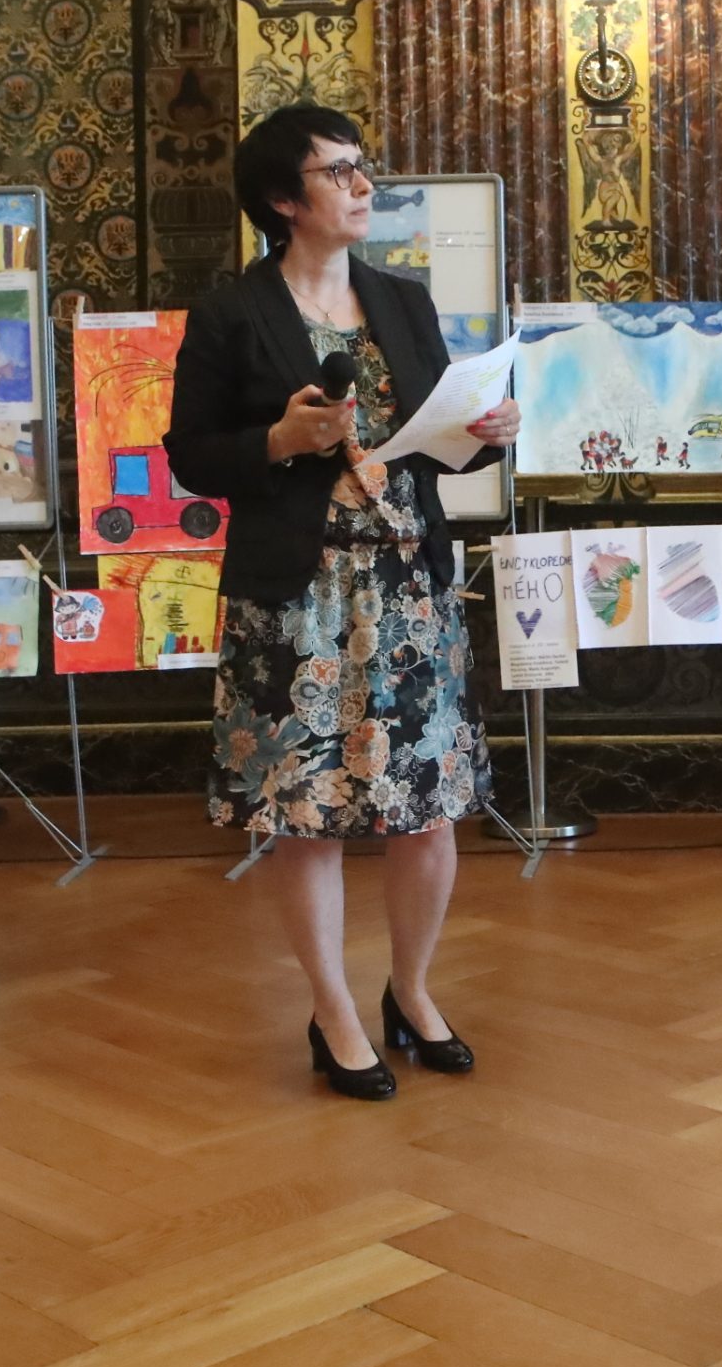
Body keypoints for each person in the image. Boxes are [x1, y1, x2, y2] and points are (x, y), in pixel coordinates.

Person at [166, 104, 519, 1101]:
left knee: (428, 814)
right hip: (297, 598)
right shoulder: (232, 312)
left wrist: (488, 430)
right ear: (284, 199)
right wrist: (280, 441)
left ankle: (412, 991)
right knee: (307, 815)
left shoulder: (401, 300)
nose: (363, 186)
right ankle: (332, 1011)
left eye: (364, 167)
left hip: (410, 588)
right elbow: (192, 454)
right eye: (339, 171)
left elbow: (436, 441)